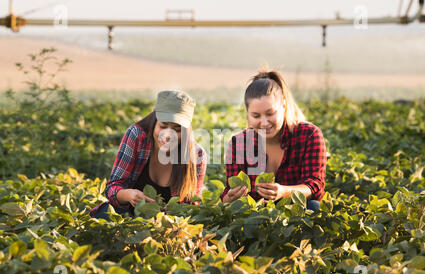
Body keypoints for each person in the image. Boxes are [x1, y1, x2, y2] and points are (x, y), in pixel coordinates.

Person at [90, 90, 207, 220]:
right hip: (125, 217)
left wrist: (172, 216)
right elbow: (112, 187)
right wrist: (128, 195)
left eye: (177, 129)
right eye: (163, 126)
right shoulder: (137, 137)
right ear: (154, 122)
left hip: (167, 227)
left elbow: (193, 206)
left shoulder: (196, 155)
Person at [221, 69, 327, 211]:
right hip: (256, 216)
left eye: (270, 113)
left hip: (294, 213)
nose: (264, 123)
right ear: (248, 114)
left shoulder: (308, 135)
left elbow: (315, 186)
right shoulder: (238, 143)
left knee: (313, 206)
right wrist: (230, 198)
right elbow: (229, 192)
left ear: (283, 106)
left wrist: (284, 192)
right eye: (256, 116)